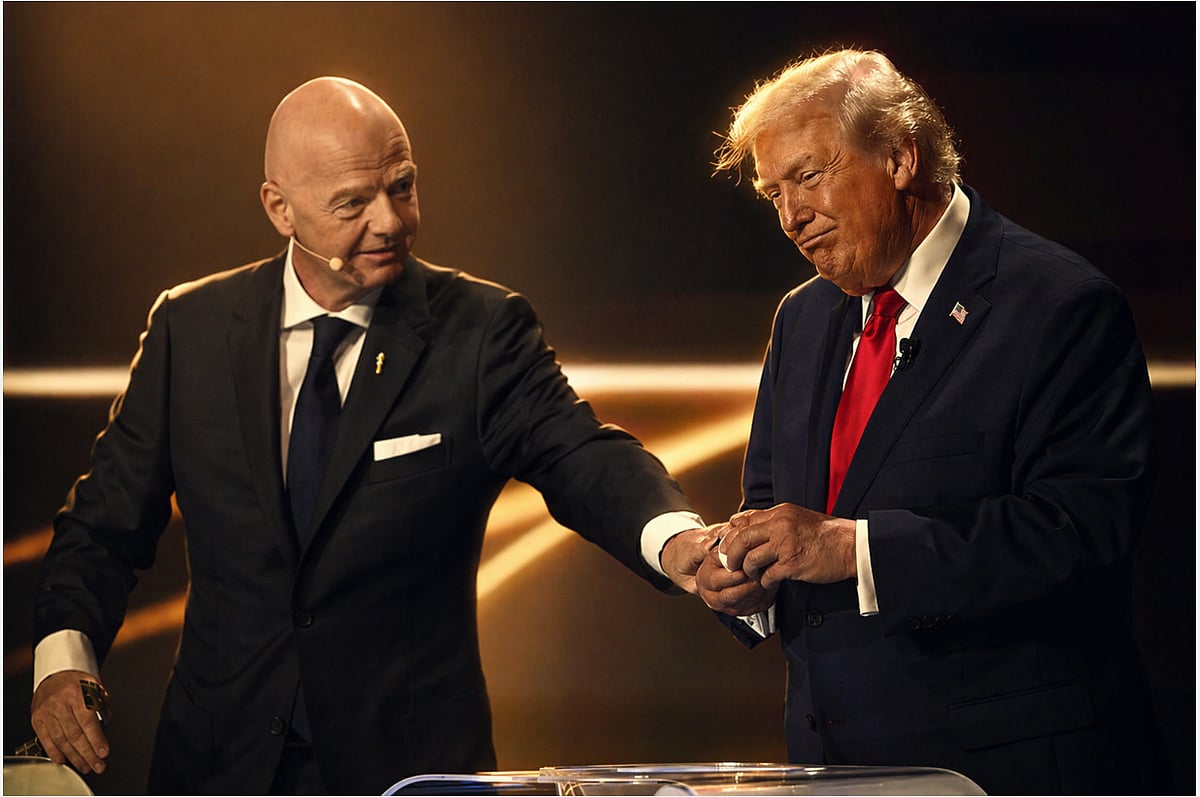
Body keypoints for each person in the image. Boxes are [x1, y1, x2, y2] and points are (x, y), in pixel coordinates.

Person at [28, 76, 716, 794]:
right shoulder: (189, 330)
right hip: (216, 766)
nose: (389, 221)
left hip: (407, 771)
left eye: (403, 186)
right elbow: (104, 525)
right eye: (353, 202)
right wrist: (63, 656)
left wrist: (674, 539)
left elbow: (581, 452)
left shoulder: (481, 331)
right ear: (279, 208)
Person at [672, 49, 1166, 794]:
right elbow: (775, 503)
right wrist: (746, 573)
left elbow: (1081, 532)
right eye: (773, 193)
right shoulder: (803, 318)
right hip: (831, 767)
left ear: (901, 157)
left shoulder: (1058, 304)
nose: (790, 217)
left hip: (1007, 768)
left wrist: (855, 549)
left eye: (808, 176)